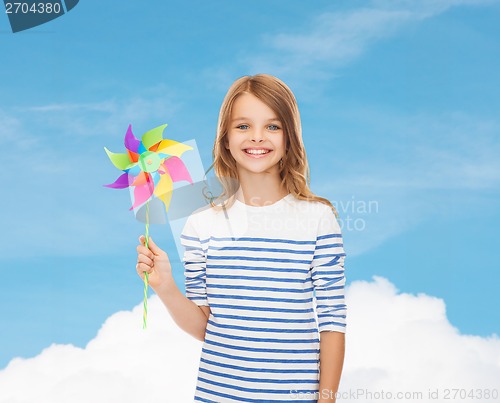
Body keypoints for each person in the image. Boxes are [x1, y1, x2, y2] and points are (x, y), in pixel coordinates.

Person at [136, 74, 347, 402]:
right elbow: (204, 328)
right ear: (225, 139)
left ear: (290, 137)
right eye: (243, 126)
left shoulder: (318, 218)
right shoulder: (201, 224)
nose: (258, 137)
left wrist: (327, 399)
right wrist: (164, 286)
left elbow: (333, 320)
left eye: (273, 126)